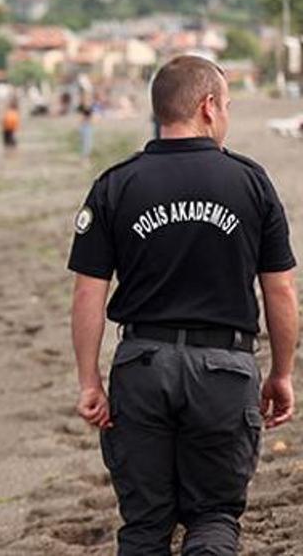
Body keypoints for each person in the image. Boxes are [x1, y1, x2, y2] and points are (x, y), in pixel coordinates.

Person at [68, 55, 297, 554]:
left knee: (146, 525)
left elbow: (89, 290)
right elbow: (279, 289)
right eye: (229, 105)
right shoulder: (250, 182)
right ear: (208, 106)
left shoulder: (117, 183)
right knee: (213, 518)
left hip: (142, 366)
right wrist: (282, 372)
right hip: (224, 370)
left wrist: (88, 379)